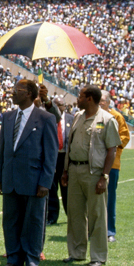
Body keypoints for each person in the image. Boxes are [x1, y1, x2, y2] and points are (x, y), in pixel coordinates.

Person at [0, 79, 57, 266]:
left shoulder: (45, 118)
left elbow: (51, 153)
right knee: (10, 220)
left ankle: (32, 259)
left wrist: (45, 182)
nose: (12, 93)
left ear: (29, 93)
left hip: (34, 179)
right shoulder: (8, 116)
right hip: (11, 178)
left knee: (33, 221)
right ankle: (13, 258)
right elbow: (2, 149)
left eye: (17, 90)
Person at [62, 85, 121, 266]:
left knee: (97, 215)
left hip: (94, 173)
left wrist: (104, 176)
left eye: (80, 96)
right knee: (75, 214)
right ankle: (77, 253)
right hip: (75, 170)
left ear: (89, 98)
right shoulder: (78, 116)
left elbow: (112, 150)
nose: (77, 99)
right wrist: (65, 170)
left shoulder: (107, 119)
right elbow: (70, 144)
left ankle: (98, 256)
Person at [100, 91, 130, 243]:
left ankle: (110, 231)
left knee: (110, 198)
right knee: (93, 199)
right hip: (95, 164)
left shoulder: (117, 116)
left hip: (112, 164)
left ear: (109, 102)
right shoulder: (93, 116)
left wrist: (112, 146)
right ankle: (93, 230)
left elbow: (125, 136)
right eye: (98, 100)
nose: (100, 103)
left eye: (103, 100)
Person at [47, 96, 74, 225]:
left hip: (65, 157)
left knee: (67, 188)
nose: (58, 107)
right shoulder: (48, 118)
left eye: (60, 105)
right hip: (52, 157)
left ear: (65, 106)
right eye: (55, 105)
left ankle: (72, 216)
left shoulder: (72, 119)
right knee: (51, 188)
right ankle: (52, 217)